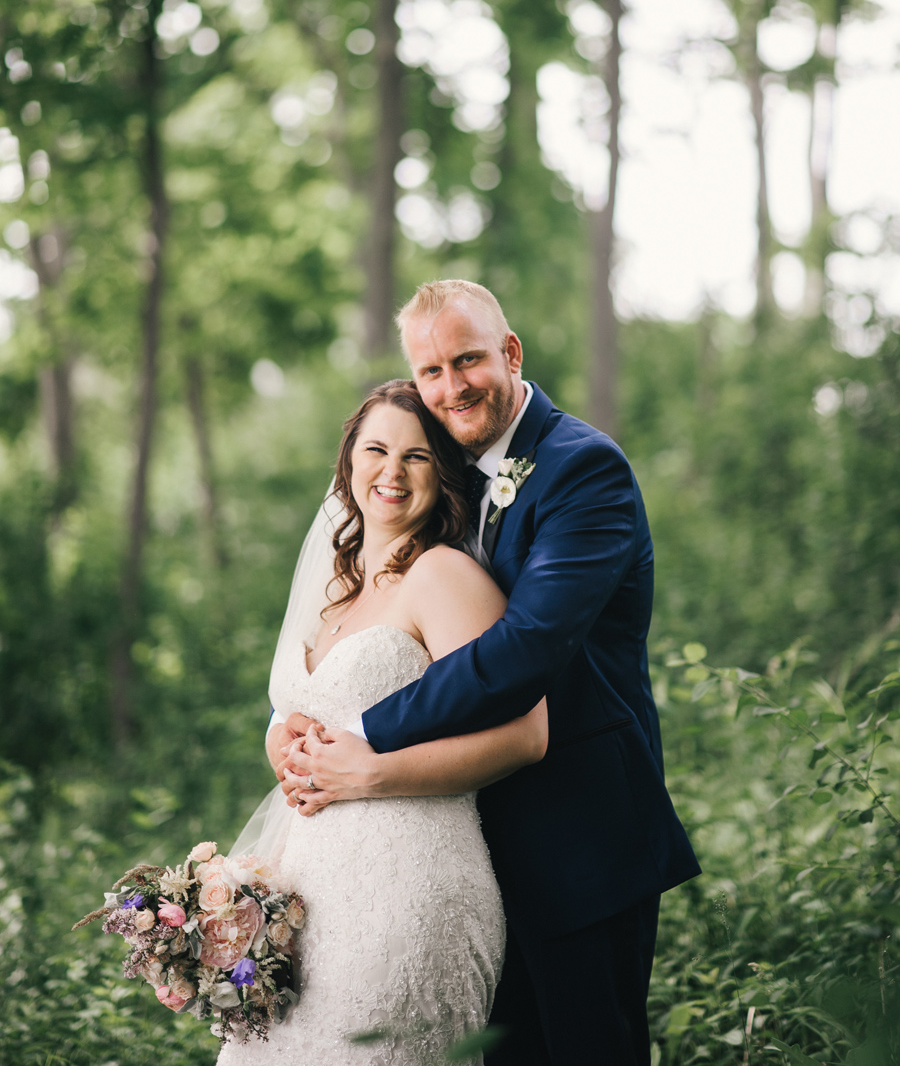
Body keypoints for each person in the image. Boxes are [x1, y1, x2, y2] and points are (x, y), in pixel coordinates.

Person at [274, 279, 701, 1066]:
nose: (450, 386)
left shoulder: (583, 470)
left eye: (467, 360)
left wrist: (362, 733)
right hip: (464, 849)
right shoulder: (445, 472)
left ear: (510, 353)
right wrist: (295, 727)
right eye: (430, 370)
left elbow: (527, 646)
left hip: (580, 838)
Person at [220, 378, 547, 1065]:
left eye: (417, 457)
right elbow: (301, 712)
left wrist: (372, 775)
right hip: (307, 893)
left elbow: (526, 732)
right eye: (376, 450)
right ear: (348, 463)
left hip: (408, 890)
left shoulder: (443, 577)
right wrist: (282, 739)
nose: (392, 473)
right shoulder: (335, 590)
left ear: (444, 474)